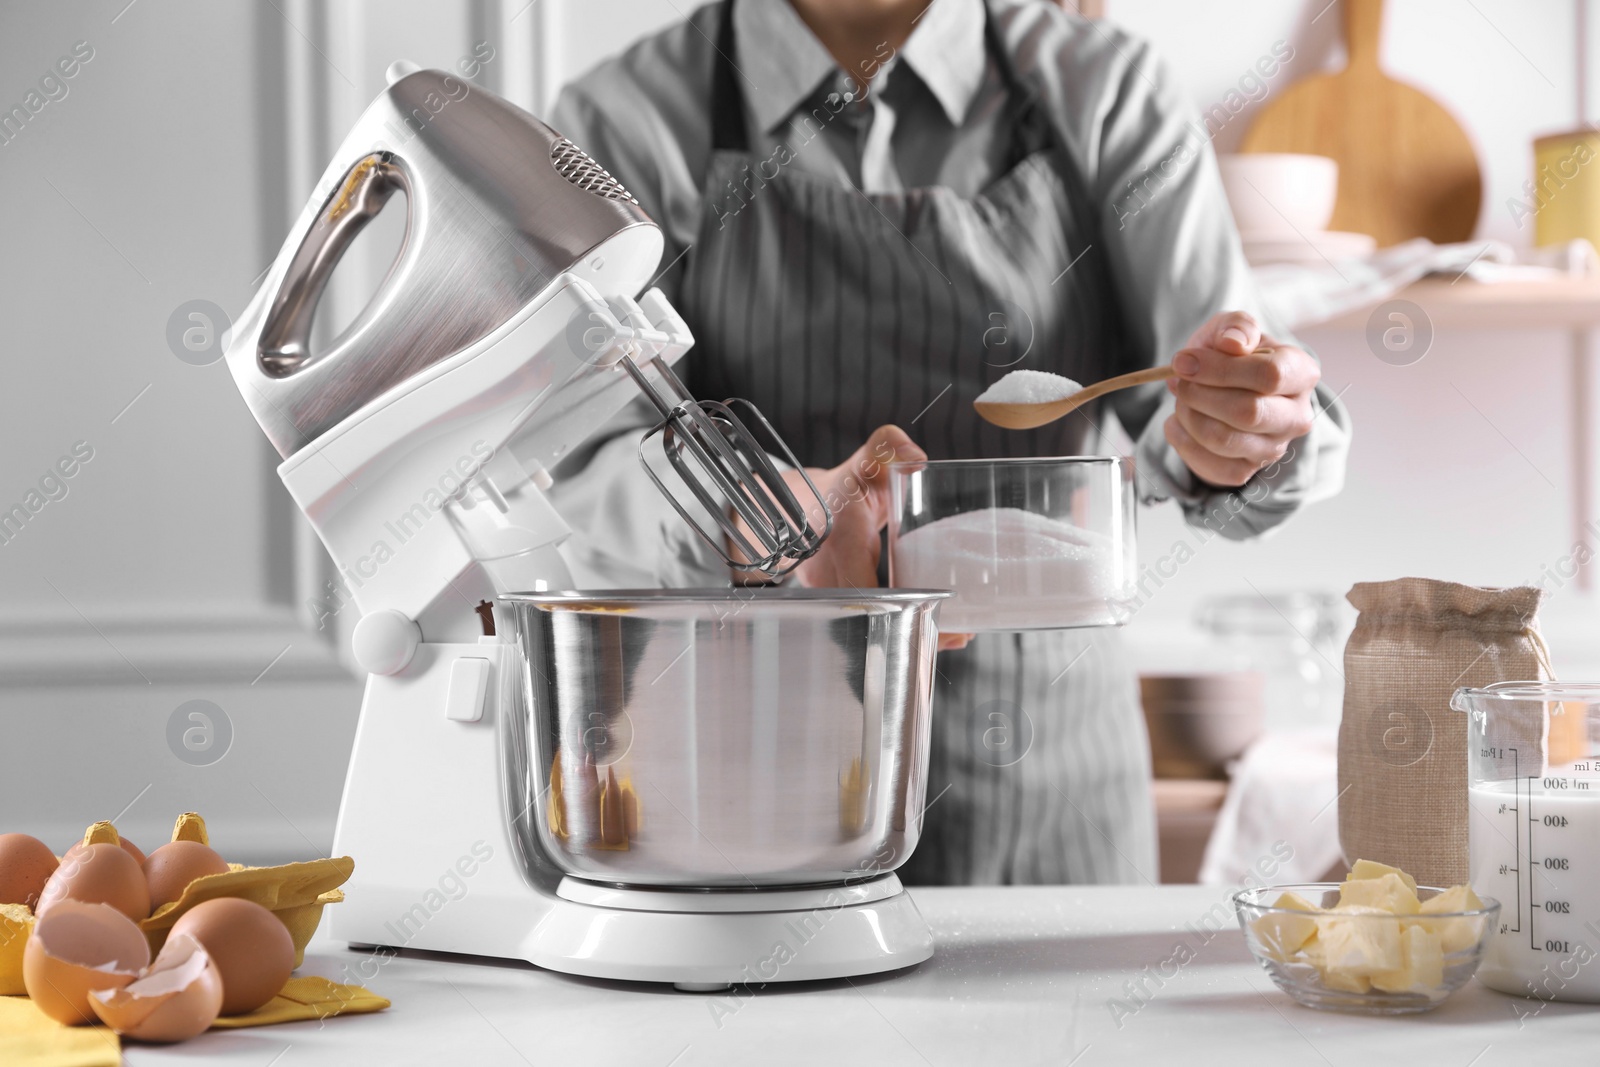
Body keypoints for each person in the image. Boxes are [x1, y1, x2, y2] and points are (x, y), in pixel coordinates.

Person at [546, 0, 1350, 885]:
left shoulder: (1106, 90)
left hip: (1052, 788)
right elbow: (582, 455)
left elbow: (1218, 382)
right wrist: (762, 518)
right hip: (748, 782)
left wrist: (1240, 425)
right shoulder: (620, 121)